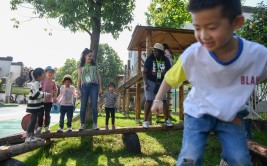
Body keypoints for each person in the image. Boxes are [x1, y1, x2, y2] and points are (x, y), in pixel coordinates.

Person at [151, 0, 267, 165]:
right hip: (198, 111)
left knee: (239, 158)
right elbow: (170, 77)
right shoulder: (193, 55)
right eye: (197, 28)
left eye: (212, 27)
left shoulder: (256, 55)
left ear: (236, 23)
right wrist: (157, 99)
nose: (204, 35)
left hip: (231, 114)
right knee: (190, 157)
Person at [143, 43, 173, 128]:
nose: (154, 52)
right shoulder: (150, 59)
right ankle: (146, 121)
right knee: (149, 100)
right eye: (154, 51)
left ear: (160, 52)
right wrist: (146, 83)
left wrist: (167, 79)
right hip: (150, 81)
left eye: (156, 51)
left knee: (164, 101)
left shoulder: (165, 59)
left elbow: (170, 71)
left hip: (161, 82)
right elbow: (144, 72)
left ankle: (167, 120)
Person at [77, 48, 102, 131]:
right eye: (89, 56)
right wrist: (78, 89)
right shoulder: (81, 66)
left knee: (94, 106)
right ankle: (82, 124)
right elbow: (79, 79)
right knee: (83, 106)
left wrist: (100, 87)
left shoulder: (95, 65)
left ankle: (95, 124)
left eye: (92, 56)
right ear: (85, 56)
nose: (91, 57)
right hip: (84, 87)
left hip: (94, 86)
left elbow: (98, 77)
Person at [25, 68, 50, 143]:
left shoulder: (37, 82)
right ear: (39, 76)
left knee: (34, 120)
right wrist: (46, 94)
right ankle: (29, 136)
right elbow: (36, 95)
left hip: (35, 106)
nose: (44, 75)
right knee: (33, 120)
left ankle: (31, 136)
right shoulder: (36, 83)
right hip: (33, 106)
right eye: (43, 74)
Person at [36, 66, 58, 133]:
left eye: (52, 73)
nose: (50, 74)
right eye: (49, 72)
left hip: (49, 101)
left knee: (47, 114)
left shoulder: (53, 82)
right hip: (41, 101)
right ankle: (39, 126)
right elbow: (38, 90)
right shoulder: (42, 81)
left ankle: (47, 126)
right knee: (40, 114)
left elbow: (56, 90)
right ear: (45, 73)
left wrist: (55, 97)